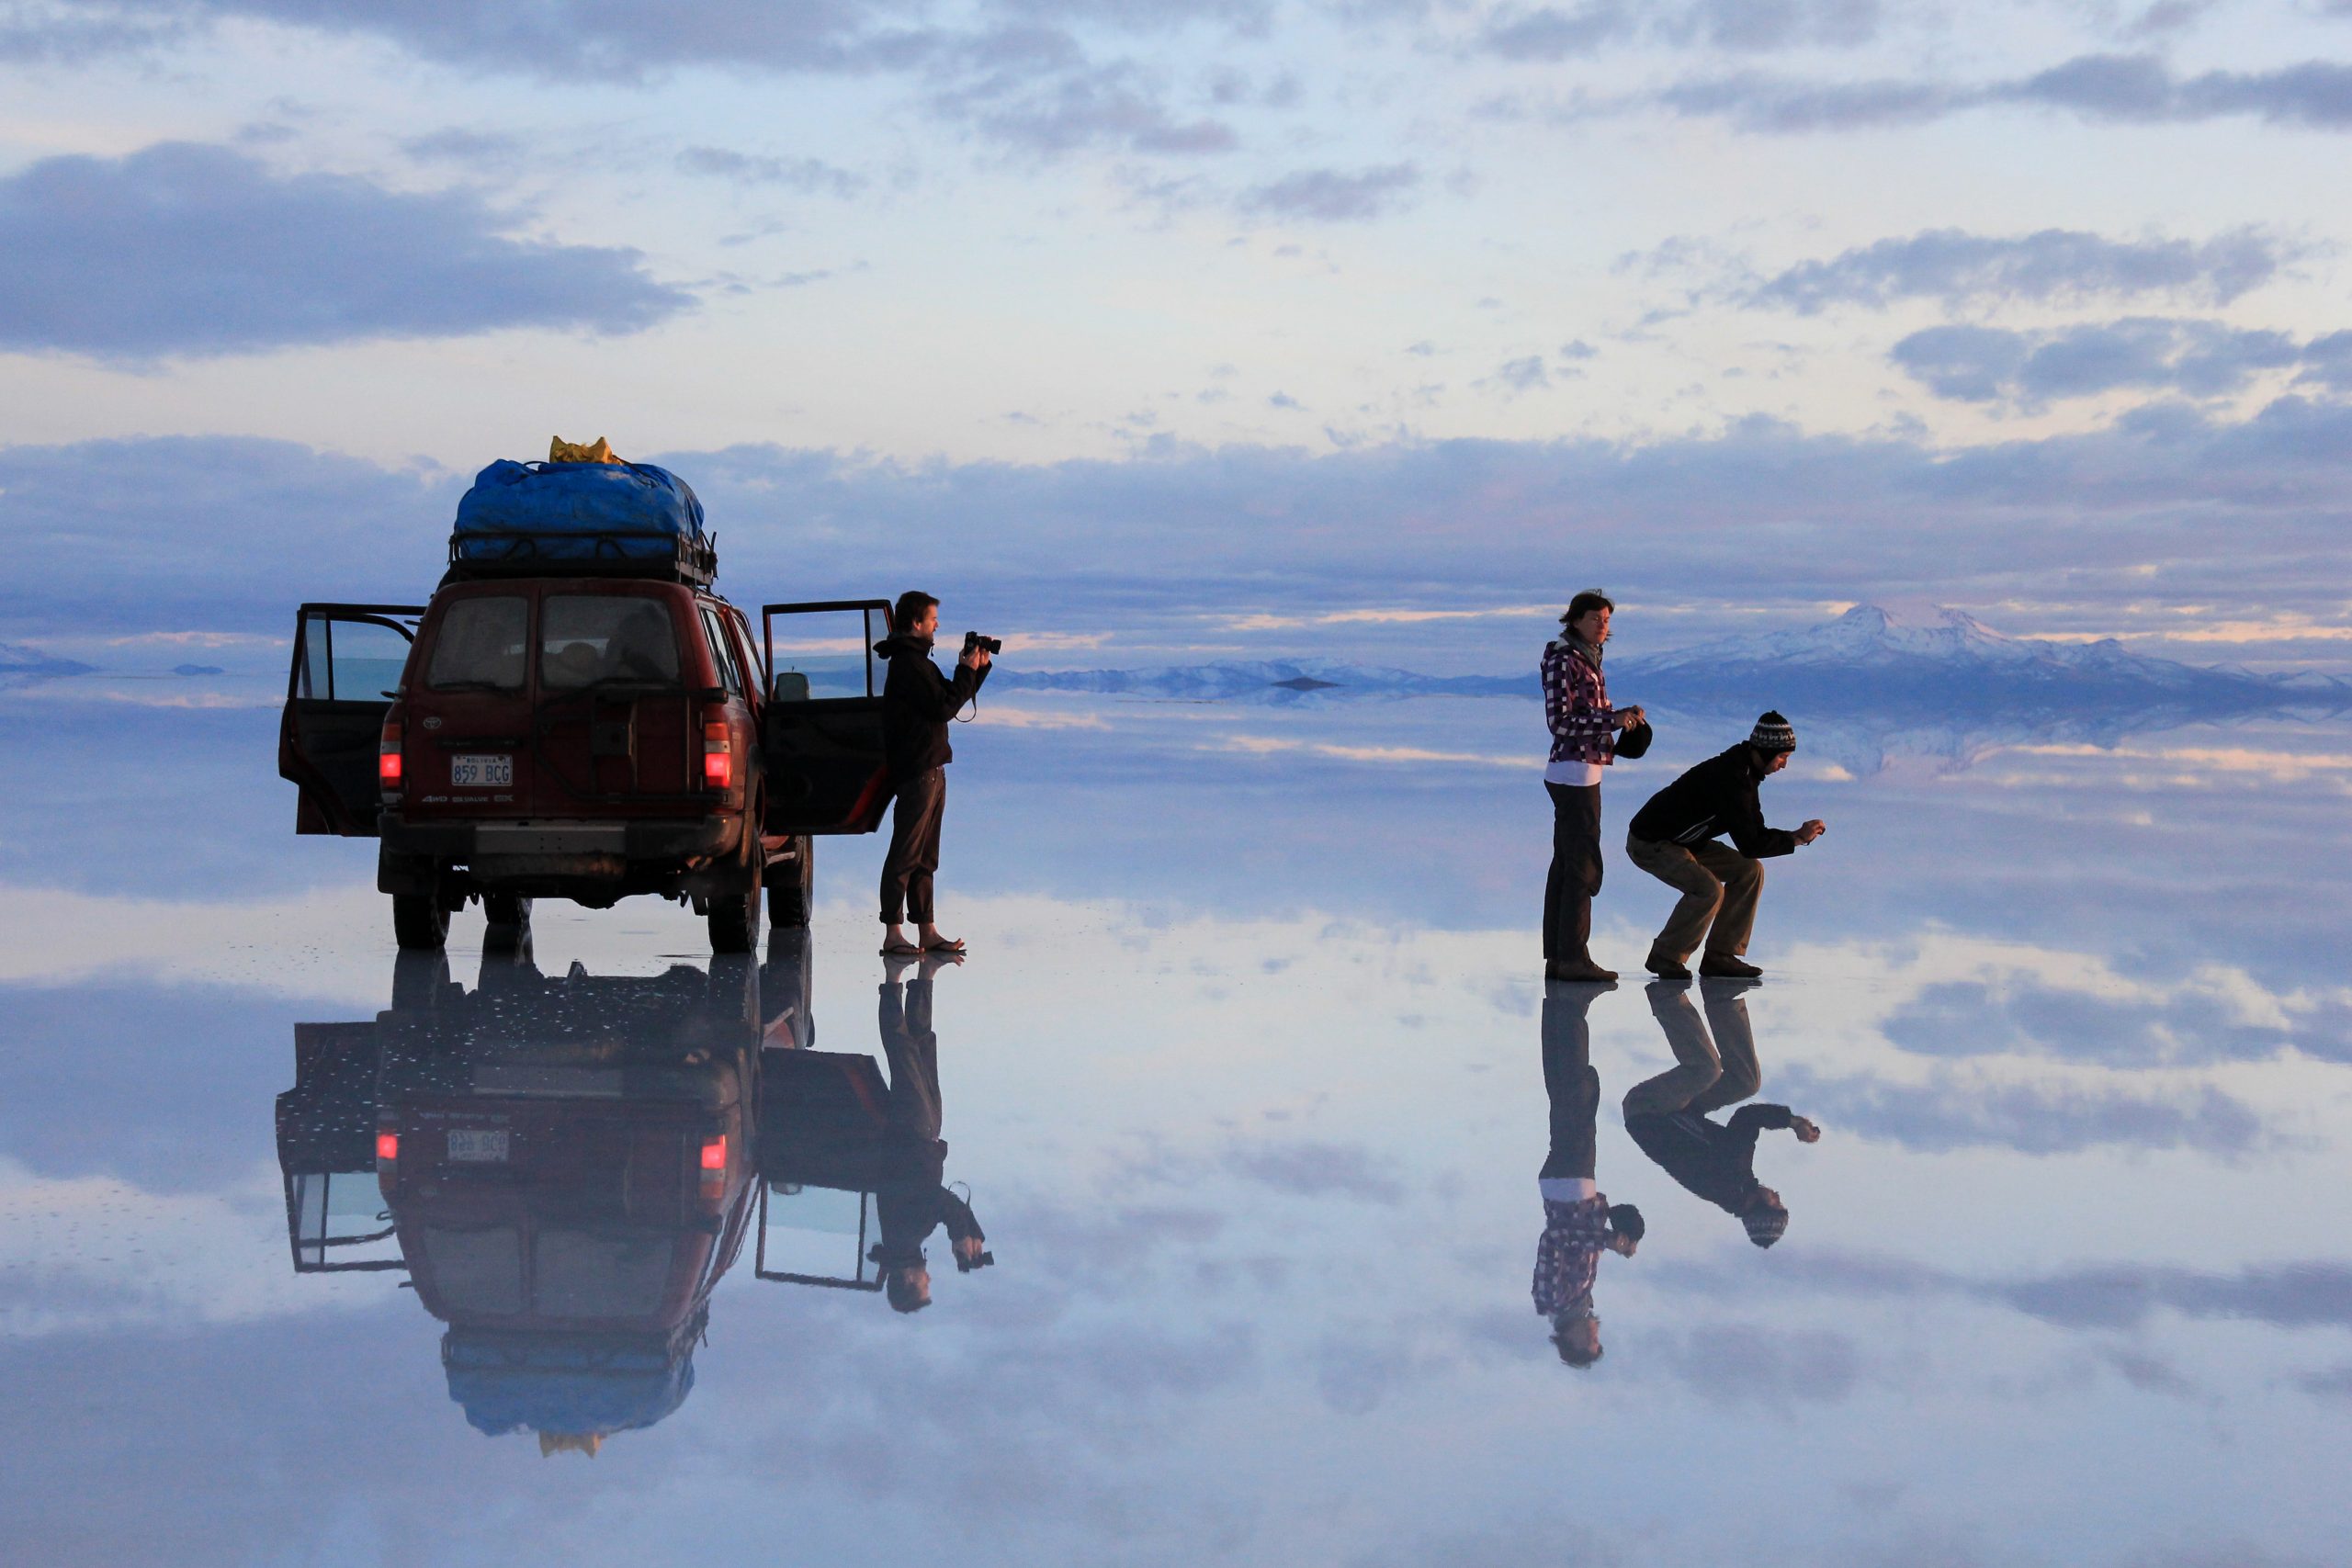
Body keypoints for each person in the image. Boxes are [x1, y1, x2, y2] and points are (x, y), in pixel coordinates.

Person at [1624, 710, 1824, 979]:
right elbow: (1750, 844)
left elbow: (1754, 833)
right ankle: (1666, 956)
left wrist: (1793, 837)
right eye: (1782, 757)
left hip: (1687, 842)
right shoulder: (1732, 778)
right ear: (1766, 751)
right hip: (1651, 841)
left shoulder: (1746, 773)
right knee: (1708, 890)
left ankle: (1721, 955)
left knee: (1749, 871)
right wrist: (1797, 838)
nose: (1784, 765)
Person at [1623, 978, 1820, 1248]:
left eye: (1775, 1203)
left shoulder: (1730, 1178)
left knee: (1706, 1069)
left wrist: (1793, 1122)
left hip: (1648, 1109)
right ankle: (1722, 999)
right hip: (1678, 1112)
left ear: (1758, 1208)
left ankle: (1667, 998)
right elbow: (1743, 1123)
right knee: (1745, 1082)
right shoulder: (1736, 1187)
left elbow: (1746, 1118)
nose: (1777, 1195)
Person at [1532, 978, 1645, 1367]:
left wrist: (1607, 1240)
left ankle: (1570, 1009)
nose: (1595, 1333)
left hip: (1568, 1190)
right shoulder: (1579, 1300)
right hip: (1573, 1190)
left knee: (1576, 1097)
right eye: (1597, 1340)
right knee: (1568, 1098)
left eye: (1590, 1341)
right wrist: (1615, 1230)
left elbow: (1555, 1238)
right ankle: (1560, 1010)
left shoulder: (1554, 1300)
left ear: (1571, 1341)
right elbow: (1576, 1242)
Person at [873, 591, 992, 958]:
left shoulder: (918, 663)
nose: (937, 625)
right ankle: (893, 933)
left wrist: (975, 670)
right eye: (932, 618)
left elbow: (949, 699)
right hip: (918, 770)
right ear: (916, 623)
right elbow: (943, 707)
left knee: (925, 856)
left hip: (932, 769)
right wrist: (966, 671)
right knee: (905, 853)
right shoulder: (908, 665)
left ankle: (927, 929)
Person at [870, 952, 990, 1312]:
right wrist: (970, 1236)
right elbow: (946, 1205)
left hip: (912, 1130)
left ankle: (893, 977)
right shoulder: (904, 1240)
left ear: (908, 1281)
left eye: (924, 1286)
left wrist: (960, 1234)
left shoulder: (905, 1235)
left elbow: (941, 1201)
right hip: (924, 1132)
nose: (929, 1279)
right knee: (922, 1047)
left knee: (903, 1050)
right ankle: (926, 975)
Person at [1540, 591, 1646, 984]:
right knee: (1582, 868)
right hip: (1572, 774)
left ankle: (1560, 957)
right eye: (1595, 619)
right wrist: (1611, 721)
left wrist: (1622, 717)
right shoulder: (1563, 660)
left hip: (1583, 772)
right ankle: (1573, 958)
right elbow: (1560, 722)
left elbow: (1587, 713)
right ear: (1574, 620)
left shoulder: (1587, 658)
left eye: (1606, 620)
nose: (1603, 626)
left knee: (1568, 865)